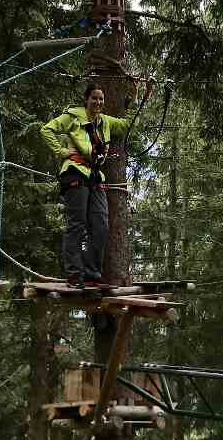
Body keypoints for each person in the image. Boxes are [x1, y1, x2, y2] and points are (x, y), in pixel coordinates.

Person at [40, 80, 152, 288]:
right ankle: (75, 275)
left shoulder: (105, 122)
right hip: (74, 172)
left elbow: (127, 124)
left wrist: (136, 99)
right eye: (94, 98)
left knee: (100, 225)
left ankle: (91, 272)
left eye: (101, 99)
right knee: (77, 224)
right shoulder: (72, 117)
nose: (98, 102)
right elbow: (46, 130)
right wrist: (62, 151)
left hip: (94, 176)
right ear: (86, 99)